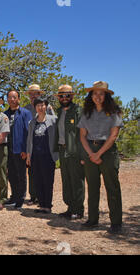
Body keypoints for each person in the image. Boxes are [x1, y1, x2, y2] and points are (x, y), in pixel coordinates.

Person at [78, 81, 123, 234]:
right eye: (94, 93)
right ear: (91, 96)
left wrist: (99, 153)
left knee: (112, 187)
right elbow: (82, 136)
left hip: (108, 152)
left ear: (106, 96)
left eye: (101, 93)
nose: (97, 96)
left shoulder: (114, 112)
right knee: (92, 187)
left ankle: (116, 223)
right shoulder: (86, 113)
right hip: (89, 150)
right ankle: (92, 219)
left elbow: (113, 136)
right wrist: (91, 154)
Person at [54, 85, 85, 220]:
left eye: (67, 95)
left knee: (77, 180)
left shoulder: (79, 111)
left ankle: (78, 210)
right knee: (66, 180)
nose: (64, 98)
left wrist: (83, 155)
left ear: (72, 96)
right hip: (62, 149)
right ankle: (70, 208)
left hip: (75, 151)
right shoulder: (59, 111)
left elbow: (83, 134)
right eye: (61, 96)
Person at [23, 84, 55, 206]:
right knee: (32, 173)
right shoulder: (26, 109)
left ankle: (46, 201)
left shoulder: (48, 108)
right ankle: (33, 196)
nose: (33, 96)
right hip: (32, 144)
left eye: (35, 94)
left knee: (46, 176)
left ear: (39, 95)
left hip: (46, 147)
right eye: (31, 94)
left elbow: (54, 126)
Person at [26, 97, 58, 214]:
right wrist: (28, 156)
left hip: (48, 156)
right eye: (38, 105)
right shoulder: (32, 123)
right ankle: (42, 204)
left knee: (48, 181)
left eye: (43, 105)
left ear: (46, 106)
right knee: (38, 180)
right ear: (35, 108)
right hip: (35, 156)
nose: (40, 107)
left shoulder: (53, 120)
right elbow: (29, 140)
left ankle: (48, 205)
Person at [4, 91, 32, 210]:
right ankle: (14, 196)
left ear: (19, 99)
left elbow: (29, 132)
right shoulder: (4, 114)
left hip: (20, 149)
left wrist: (26, 150)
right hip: (7, 149)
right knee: (11, 174)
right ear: (7, 100)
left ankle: (21, 198)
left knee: (21, 175)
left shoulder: (25, 113)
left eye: (14, 97)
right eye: (10, 97)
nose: (12, 99)